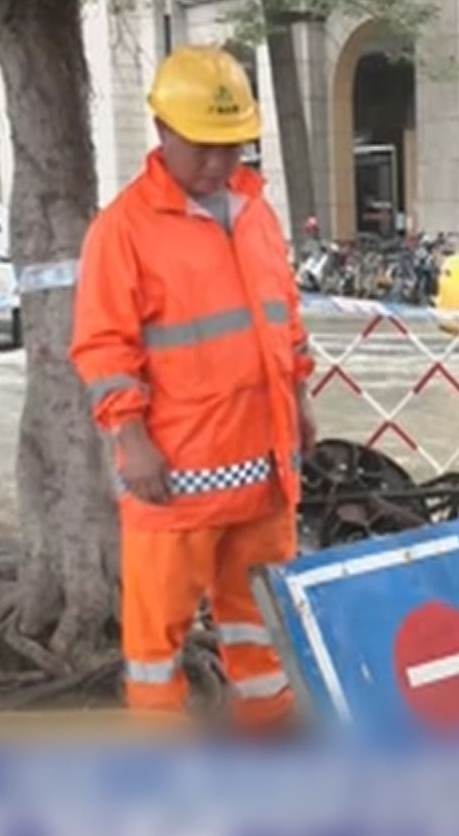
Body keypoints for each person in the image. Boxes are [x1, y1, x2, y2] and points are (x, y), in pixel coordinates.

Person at [72, 46, 317, 727]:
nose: (218, 164)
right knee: (157, 648)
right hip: (174, 480)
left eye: (231, 147)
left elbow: (282, 316)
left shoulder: (255, 211)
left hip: (265, 474)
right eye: (202, 147)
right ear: (162, 131)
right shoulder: (123, 230)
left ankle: (268, 752)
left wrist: (299, 397)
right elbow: (103, 347)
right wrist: (130, 436)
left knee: (259, 630)